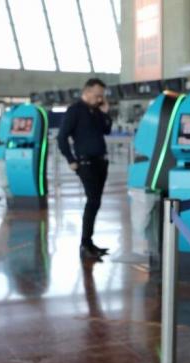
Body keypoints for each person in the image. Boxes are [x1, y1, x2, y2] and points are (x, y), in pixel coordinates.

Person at [57, 78, 112, 260]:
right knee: (92, 201)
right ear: (87, 92)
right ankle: (85, 243)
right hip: (85, 163)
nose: (100, 99)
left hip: (100, 162)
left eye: (101, 96)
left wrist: (105, 113)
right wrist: (71, 160)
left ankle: (89, 243)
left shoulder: (96, 111)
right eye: (97, 96)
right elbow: (62, 137)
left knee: (95, 202)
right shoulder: (75, 111)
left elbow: (106, 130)